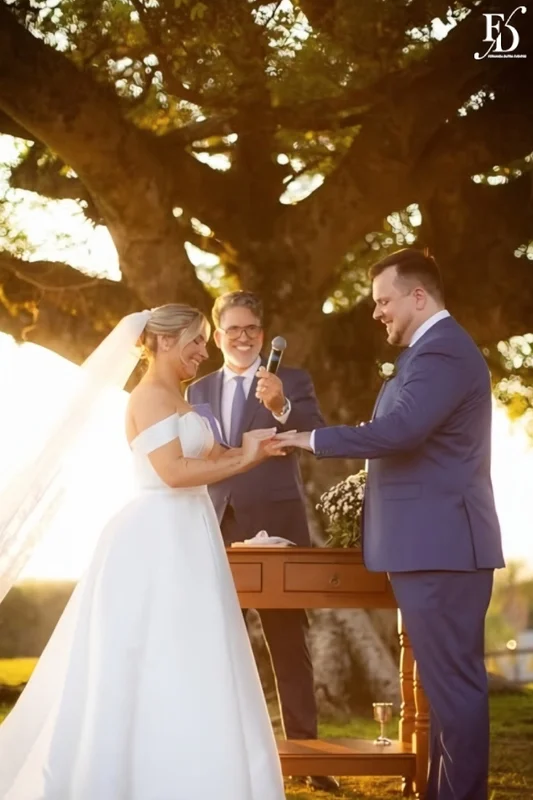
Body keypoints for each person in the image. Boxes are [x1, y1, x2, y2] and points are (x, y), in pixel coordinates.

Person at [0, 304, 286, 800]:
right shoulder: (150, 397)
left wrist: (248, 444)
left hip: (190, 536)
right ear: (166, 341)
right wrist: (244, 460)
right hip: (156, 539)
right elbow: (173, 473)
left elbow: (211, 454)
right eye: (196, 340)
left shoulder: (180, 400)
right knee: (153, 656)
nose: (204, 350)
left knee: (197, 652)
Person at [276, 249, 505, 800]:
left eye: (384, 300)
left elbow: (399, 432)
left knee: (455, 693)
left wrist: (310, 440)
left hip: (442, 549)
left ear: (418, 297)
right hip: (431, 548)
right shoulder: (426, 354)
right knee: (446, 697)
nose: (376, 311)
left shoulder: (443, 353)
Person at [187, 291, 339, 794]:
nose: (244, 337)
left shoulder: (292, 380)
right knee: (210, 643)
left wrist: (280, 407)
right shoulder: (198, 389)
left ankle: (309, 759)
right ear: (217, 334)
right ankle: (214, 753)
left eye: (252, 328)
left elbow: (316, 435)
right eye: (233, 329)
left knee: (288, 643)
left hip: (278, 524)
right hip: (214, 526)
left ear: (262, 330)